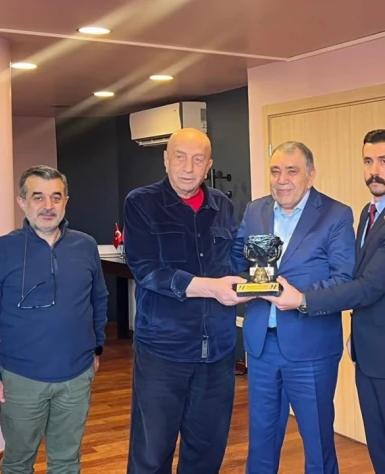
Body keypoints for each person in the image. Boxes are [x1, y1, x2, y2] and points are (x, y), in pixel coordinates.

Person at [267, 129, 385, 474]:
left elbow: (367, 286)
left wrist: (303, 299)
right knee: (381, 449)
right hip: (370, 351)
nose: (374, 170)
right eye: (368, 161)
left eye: (384, 161)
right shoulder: (371, 212)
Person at [123, 128, 248, 474]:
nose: (188, 168)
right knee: (151, 455)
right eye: (180, 157)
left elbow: (234, 263)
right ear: (166, 160)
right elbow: (146, 270)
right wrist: (211, 288)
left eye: (197, 159)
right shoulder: (141, 203)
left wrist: (257, 281)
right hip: (163, 351)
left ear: (208, 165)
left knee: (206, 454)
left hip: (217, 353)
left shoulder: (223, 207)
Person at [0, 165, 107, 473]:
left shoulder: (86, 246)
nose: (48, 206)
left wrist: (97, 347)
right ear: (22, 202)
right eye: (38, 197)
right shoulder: (0, 251)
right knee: (18, 463)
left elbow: (99, 299)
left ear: (65, 201)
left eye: (56, 197)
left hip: (75, 378)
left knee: (66, 462)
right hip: (20, 380)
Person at [232, 141, 355, 474]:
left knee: (317, 444)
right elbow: (237, 261)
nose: (282, 179)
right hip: (261, 345)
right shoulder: (255, 211)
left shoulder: (336, 215)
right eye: (275, 171)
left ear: (310, 176)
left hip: (311, 348)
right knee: (261, 441)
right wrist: (242, 285)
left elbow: (344, 280)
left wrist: (300, 297)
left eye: (291, 171)